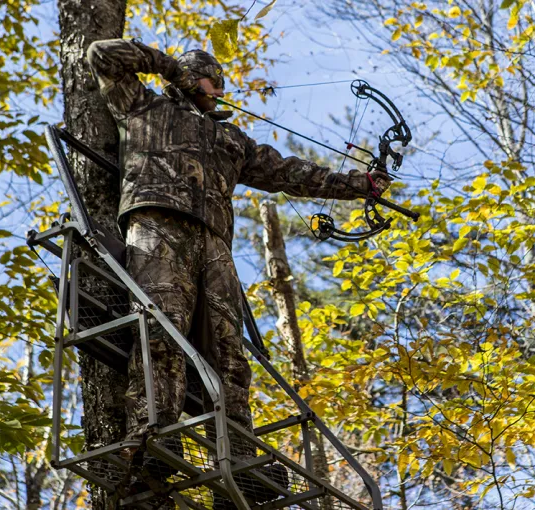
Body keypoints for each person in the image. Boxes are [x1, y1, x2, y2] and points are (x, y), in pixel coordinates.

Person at [85, 38, 389, 505]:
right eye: (208, 79)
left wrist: (359, 185)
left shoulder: (232, 140)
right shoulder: (143, 106)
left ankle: (242, 462)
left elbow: (291, 172)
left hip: (213, 244)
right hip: (157, 225)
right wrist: (167, 65)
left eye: (219, 81)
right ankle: (155, 439)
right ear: (187, 80)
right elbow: (103, 54)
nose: (217, 88)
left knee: (229, 354)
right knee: (160, 332)